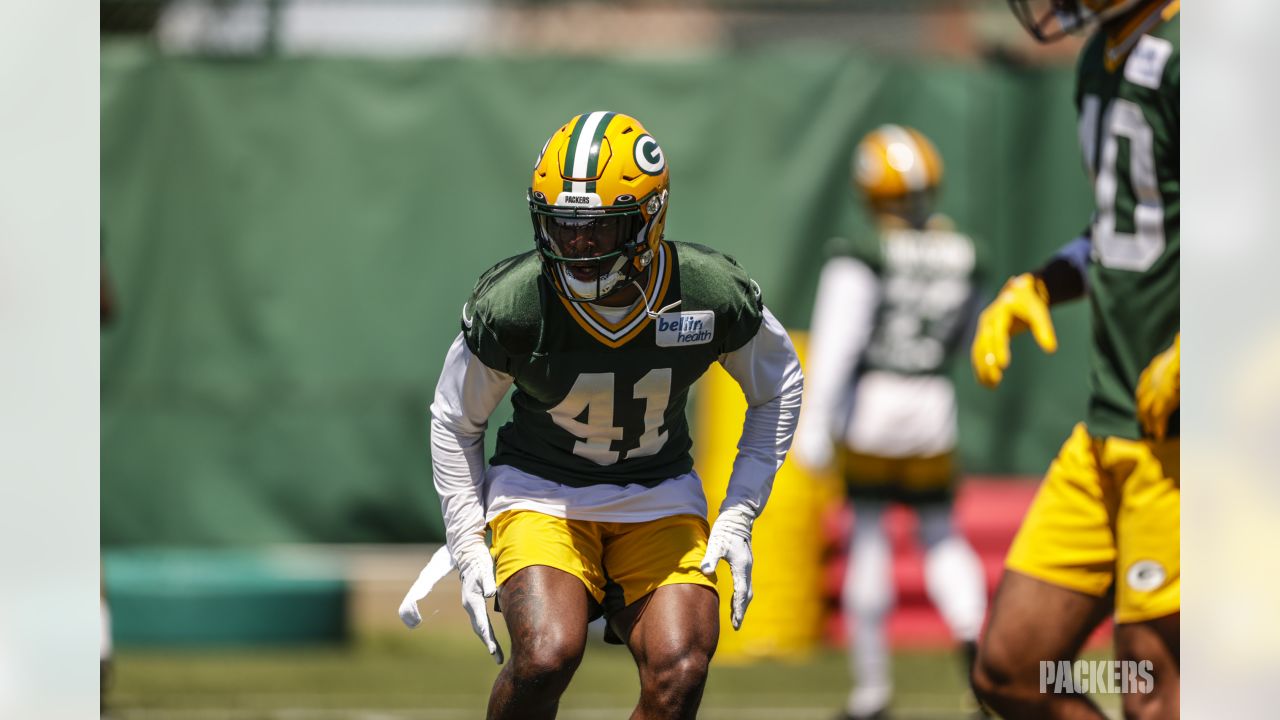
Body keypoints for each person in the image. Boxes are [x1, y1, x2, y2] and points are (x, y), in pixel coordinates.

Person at [402, 110, 804, 720]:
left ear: (648, 221)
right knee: (546, 656)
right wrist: (465, 537)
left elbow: (780, 386)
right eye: (562, 227)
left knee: (682, 667)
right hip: (542, 492)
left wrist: (740, 512)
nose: (577, 246)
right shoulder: (515, 304)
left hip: (658, 492)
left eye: (598, 229)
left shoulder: (704, 291)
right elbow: (455, 419)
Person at [969, 2, 1179, 718]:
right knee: (1011, 668)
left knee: (1153, 685)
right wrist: (1040, 282)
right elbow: (1128, 222)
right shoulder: (1101, 58)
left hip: (1183, 445)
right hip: (1107, 427)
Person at [793, 125, 988, 720]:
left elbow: (837, 346)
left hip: (874, 403)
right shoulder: (964, 252)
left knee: (870, 533)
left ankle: (872, 692)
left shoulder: (862, 253)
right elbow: (969, 339)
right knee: (940, 534)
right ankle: (981, 665)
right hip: (932, 403)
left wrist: (815, 426)